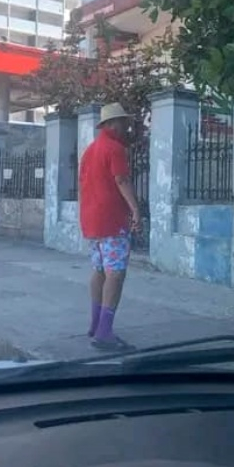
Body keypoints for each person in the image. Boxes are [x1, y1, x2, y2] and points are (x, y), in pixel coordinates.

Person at [79, 102, 142, 351]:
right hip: (112, 220)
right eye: (123, 122)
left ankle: (95, 324)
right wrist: (136, 209)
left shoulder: (90, 150)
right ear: (111, 124)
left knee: (99, 270)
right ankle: (104, 332)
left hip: (92, 220)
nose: (127, 126)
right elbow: (122, 180)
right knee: (116, 274)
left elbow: (82, 185)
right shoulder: (114, 148)